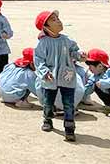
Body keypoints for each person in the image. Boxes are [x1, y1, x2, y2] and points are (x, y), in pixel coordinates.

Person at [33, 10, 83, 142]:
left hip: (67, 75)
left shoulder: (67, 40)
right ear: (46, 27)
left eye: (58, 18)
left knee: (69, 103)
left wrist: (80, 56)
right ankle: (47, 119)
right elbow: (38, 60)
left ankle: (69, 128)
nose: (58, 21)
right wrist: (44, 72)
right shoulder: (43, 43)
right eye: (53, 20)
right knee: (48, 102)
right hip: (50, 78)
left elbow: (74, 52)